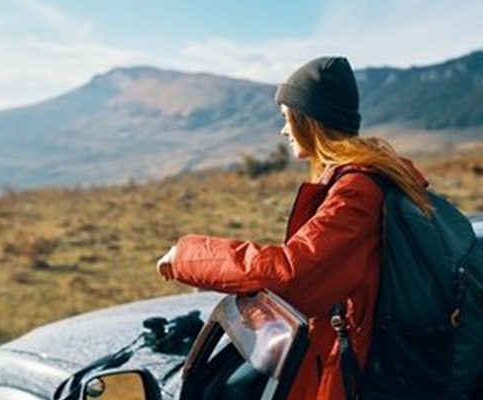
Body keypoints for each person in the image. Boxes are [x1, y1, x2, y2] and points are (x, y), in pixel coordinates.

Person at [156, 56, 432, 400]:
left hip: (354, 371)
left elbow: (293, 273)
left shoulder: (357, 191)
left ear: (309, 121)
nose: (283, 130)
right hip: (353, 356)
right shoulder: (368, 179)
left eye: (287, 118)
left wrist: (187, 256)